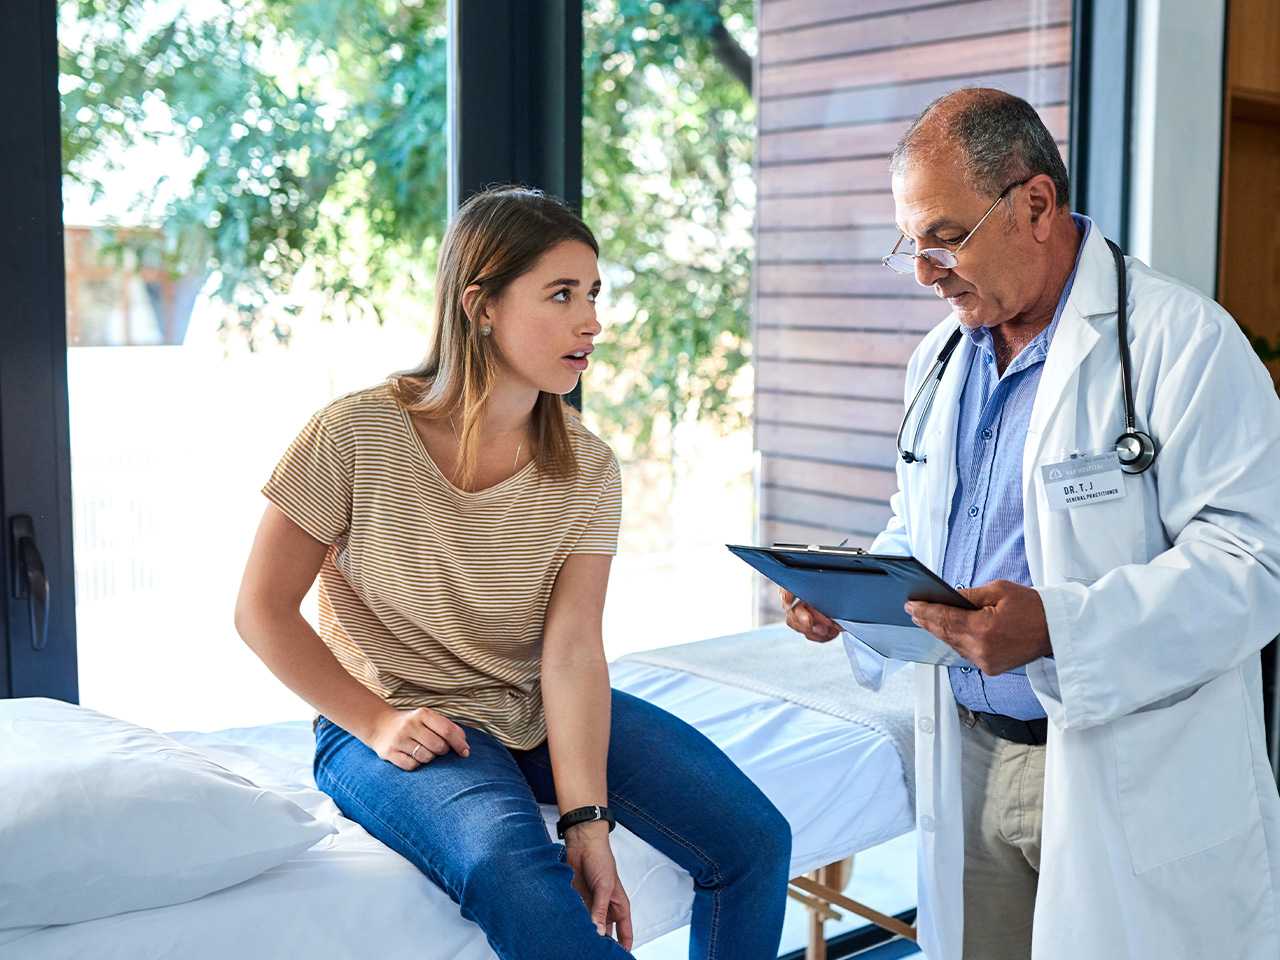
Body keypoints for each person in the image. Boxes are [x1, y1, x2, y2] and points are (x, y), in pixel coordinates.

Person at [784, 89, 1280, 960]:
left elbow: (1256, 563)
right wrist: (858, 595)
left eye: (944, 236)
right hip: (971, 756)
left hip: (1122, 764)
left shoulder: (1182, 342)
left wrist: (1057, 627)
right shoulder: (938, 360)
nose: (926, 271)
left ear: (1036, 205)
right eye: (913, 244)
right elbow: (921, 526)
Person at [235, 185, 791, 960]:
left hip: (531, 702)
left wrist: (587, 821)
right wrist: (374, 723)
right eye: (560, 294)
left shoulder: (587, 464)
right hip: (394, 713)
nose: (591, 321)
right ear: (481, 305)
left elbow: (570, 651)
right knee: (508, 864)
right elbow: (261, 609)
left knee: (754, 841)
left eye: (593, 294)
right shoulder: (356, 434)